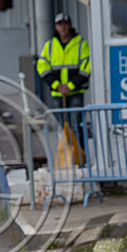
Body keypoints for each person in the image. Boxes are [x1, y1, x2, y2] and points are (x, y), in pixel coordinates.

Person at [37, 12, 91, 150]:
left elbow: (87, 67)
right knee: (62, 126)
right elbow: (42, 67)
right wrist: (57, 86)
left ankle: (79, 156)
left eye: (65, 24)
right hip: (58, 94)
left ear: (70, 25)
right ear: (56, 27)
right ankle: (66, 155)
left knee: (76, 124)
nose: (63, 27)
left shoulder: (81, 44)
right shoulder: (49, 45)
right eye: (60, 24)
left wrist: (71, 86)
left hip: (76, 92)